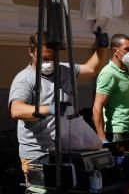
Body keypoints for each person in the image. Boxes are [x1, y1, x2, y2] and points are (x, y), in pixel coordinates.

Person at [8, 30, 109, 173]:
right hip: (37, 154)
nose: (49, 63)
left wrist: (102, 48)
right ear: (31, 51)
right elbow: (16, 110)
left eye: (52, 58)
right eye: (44, 58)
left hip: (65, 149)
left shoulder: (65, 70)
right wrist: (49, 109)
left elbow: (91, 68)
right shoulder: (25, 79)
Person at [93, 34, 129, 143]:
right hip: (116, 133)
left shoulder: (126, 70)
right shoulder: (109, 73)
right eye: (127, 49)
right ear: (115, 51)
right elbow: (97, 107)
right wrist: (102, 138)